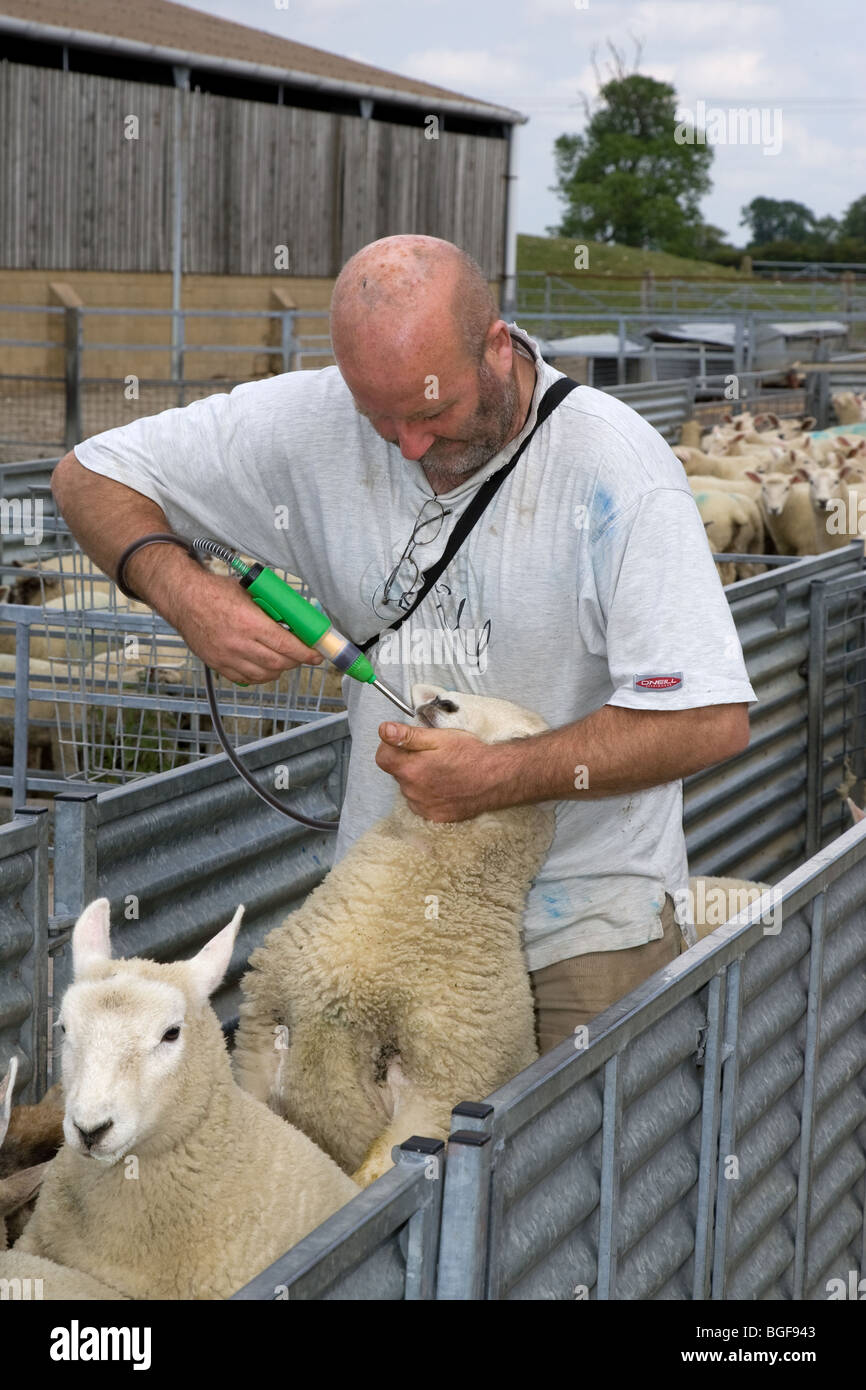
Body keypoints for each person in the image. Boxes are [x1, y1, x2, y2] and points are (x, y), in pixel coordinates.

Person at [51, 234, 756, 1054]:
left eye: (429, 413)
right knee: (373, 1175)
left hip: (579, 920)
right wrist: (183, 593)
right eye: (378, 419)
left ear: (497, 347)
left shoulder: (617, 475)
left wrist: (497, 775)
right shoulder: (309, 419)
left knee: (568, 1170)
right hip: (386, 908)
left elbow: (710, 719)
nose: (409, 446)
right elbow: (86, 474)